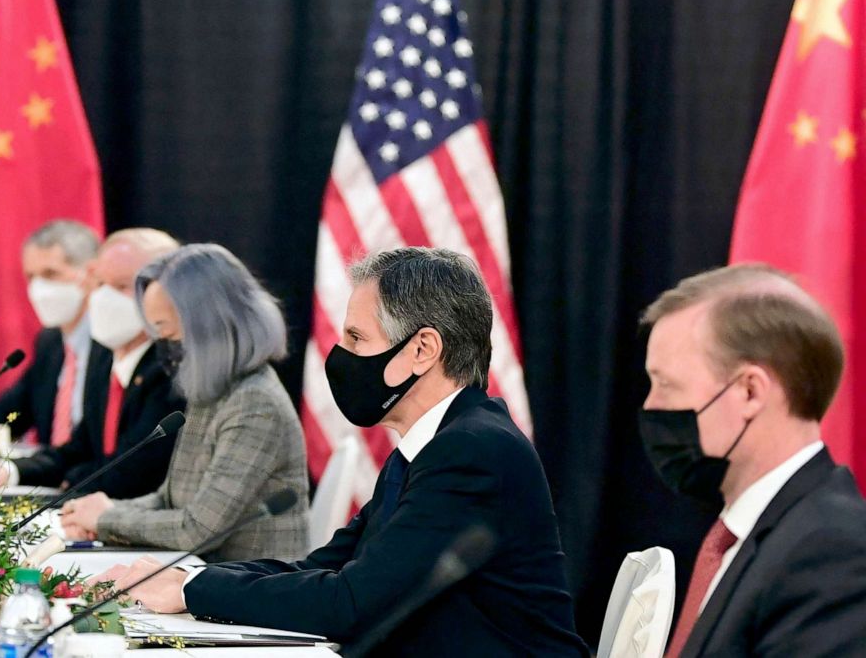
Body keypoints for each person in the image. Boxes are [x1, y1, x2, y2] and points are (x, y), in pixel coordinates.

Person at [94, 247, 588, 656]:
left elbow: (352, 602)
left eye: (356, 338)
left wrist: (190, 589)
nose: (343, 356)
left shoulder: (472, 450)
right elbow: (327, 565)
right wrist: (189, 577)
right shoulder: (432, 443)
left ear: (423, 349)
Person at [638, 264, 866, 657]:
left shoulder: (830, 548)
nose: (651, 406)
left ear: (749, 392)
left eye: (667, 385)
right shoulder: (751, 534)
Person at [59, 244, 310, 561]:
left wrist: (107, 519)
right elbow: (170, 499)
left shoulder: (255, 402)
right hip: (200, 578)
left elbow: (198, 531)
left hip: (253, 589)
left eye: (165, 330)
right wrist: (95, 514)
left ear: (207, 326)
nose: (162, 346)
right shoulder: (212, 390)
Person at [0, 229, 185, 499]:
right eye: (100, 284)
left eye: (121, 286)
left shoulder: (172, 370)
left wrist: (69, 483)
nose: (104, 297)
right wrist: (10, 471)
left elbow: (134, 474)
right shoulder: (109, 359)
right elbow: (77, 449)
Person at [0, 220, 104, 447]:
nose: (39, 288)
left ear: (90, 274)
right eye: (31, 276)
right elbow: (13, 411)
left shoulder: (111, 342)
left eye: (50, 274)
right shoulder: (50, 341)